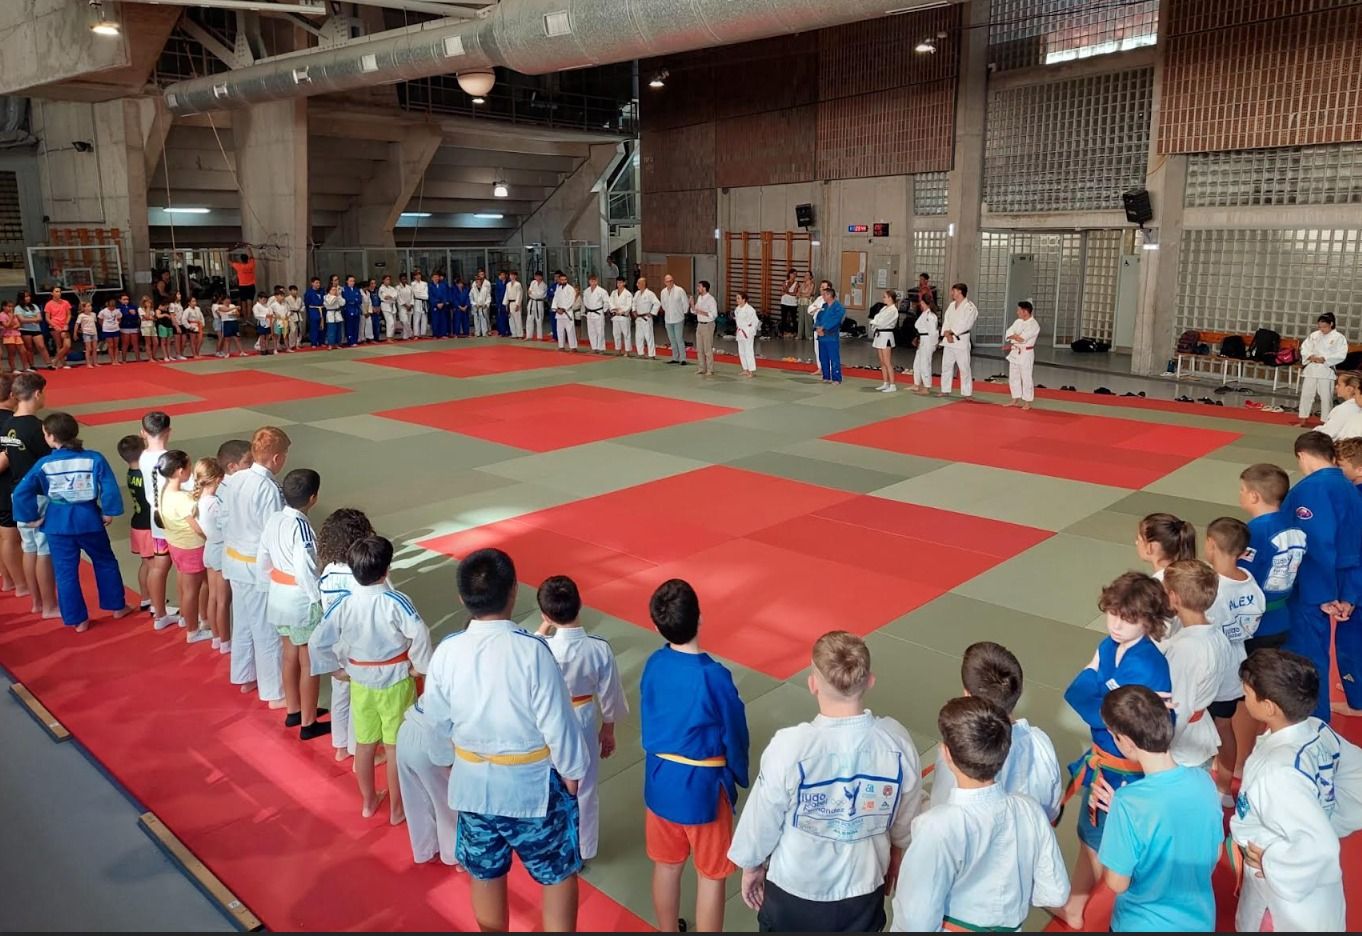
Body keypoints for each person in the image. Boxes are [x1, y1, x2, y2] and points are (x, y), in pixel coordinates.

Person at [423, 548, 590, 933]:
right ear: (514, 591)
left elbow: (436, 722)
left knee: (484, 871)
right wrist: (572, 772)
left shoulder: (447, 651)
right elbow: (558, 724)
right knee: (559, 871)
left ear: (462, 598)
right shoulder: (532, 651)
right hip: (531, 789)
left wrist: (449, 762)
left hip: (472, 786)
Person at [729, 631, 920, 933]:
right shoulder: (895, 742)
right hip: (863, 887)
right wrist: (897, 852)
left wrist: (752, 866)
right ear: (870, 681)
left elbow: (762, 818)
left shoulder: (791, 747)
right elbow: (906, 814)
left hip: (795, 890)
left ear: (813, 684)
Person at [1054, 572, 1173, 930]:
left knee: (1111, 847)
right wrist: (1102, 693)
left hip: (1128, 769)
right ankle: (1075, 907)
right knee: (1087, 835)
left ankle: (1125, 916)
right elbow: (1077, 691)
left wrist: (1099, 688)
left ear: (1149, 621)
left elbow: (1118, 716)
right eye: (1113, 614)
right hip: (1105, 758)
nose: (1117, 625)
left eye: (1129, 618)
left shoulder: (1148, 665)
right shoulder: (1110, 645)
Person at [892, 696, 1069, 932]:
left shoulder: (936, 826)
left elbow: (915, 921)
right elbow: (1055, 893)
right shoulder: (1029, 810)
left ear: (946, 755)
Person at [641, 578, 749, 933]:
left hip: (659, 781)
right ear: (699, 617)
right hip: (702, 789)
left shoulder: (654, 664)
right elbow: (735, 732)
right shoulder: (714, 676)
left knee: (667, 865)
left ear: (656, 626)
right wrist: (737, 772)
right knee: (710, 875)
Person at [1231, 649, 1362, 932]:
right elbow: (1357, 776)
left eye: (1248, 694)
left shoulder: (1279, 771)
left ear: (1269, 707)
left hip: (1284, 903)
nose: (1245, 699)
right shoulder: (1316, 729)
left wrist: (1271, 860)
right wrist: (1330, 817)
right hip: (1308, 893)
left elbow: (1321, 848)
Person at [327, 535, 430, 822]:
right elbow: (420, 634)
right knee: (394, 745)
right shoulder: (396, 601)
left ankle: (369, 801)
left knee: (365, 742)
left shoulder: (344, 603)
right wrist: (420, 667)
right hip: (395, 680)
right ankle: (397, 808)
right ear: (387, 569)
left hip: (360, 680)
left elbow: (321, 638)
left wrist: (336, 666)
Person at [12, 413, 134, 631]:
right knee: (105, 561)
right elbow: (109, 484)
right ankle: (117, 606)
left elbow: (22, 491)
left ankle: (78, 620)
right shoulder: (94, 458)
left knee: (65, 572)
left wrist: (30, 517)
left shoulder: (44, 463)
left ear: (49, 437)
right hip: (88, 519)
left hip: (57, 523)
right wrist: (108, 511)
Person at [535, 575, 627, 863]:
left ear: (546, 614)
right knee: (585, 786)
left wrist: (542, 627)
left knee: (549, 781)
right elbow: (610, 693)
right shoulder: (598, 648)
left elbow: (527, 650)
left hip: (548, 719)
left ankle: (550, 842)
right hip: (584, 716)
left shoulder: (540, 647)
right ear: (580, 604)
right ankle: (582, 850)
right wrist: (608, 728)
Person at [928, 641, 1062, 822]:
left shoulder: (958, 751)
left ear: (967, 695)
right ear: (1018, 691)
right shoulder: (1041, 743)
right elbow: (1051, 809)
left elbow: (940, 809)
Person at [1283, 430, 1362, 720]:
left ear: (1302, 455)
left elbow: (1319, 545)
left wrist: (1325, 594)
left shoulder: (1311, 490)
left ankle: (1312, 721)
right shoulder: (1350, 487)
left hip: (1312, 586)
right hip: (1342, 580)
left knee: (1307, 655)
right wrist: (1348, 594)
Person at [259, 468, 330, 741]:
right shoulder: (302, 528)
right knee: (309, 661)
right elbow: (306, 570)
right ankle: (309, 721)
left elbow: (262, 555)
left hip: (277, 593)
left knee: (289, 654)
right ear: (314, 497)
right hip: (300, 600)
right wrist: (319, 601)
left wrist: (270, 580)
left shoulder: (274, 519)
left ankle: (294, 709)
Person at [223, 426, 290, 707]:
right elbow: (272, 533)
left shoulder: (235, 479)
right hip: (256, 567)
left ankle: (244, 675)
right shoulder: (268, 489)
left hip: (233, 560)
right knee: (266, 630)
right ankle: (274, 692)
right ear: (276, 458)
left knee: (243, 622)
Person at [1203, 517, 1266, 797]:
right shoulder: (1251, 584)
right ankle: (1225, 790)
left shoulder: (1212, 588)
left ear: (1210, 545)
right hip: (1235, 665)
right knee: (1224, 726)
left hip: (1211, 668)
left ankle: (1203, 786)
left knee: (1201, 729)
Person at [309, 508, 375, 763]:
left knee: (340, 694)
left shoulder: (328, 572)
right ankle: (358, 749)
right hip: (358, 643)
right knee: (359, 698)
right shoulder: (359, 576)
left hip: (335, 642)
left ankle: (339, 745)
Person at [1159, 560, 1236, 771]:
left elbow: (1178, 708)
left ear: (1173, 597)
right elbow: (1228, 691)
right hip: (1201, 731)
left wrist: (1157, 747)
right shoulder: (1219, 637)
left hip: (1180, 745)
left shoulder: (1186, 649)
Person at [0, 373, 56, 618]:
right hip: (38, 495)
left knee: (30, 547)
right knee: (44, 550)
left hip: (17, 493)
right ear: (37, 394)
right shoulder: (36, 428)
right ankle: (49, 605)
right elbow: (50, 463)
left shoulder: (9, 424)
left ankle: (35, 601)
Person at [395, 690, 461, 867]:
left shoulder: (443, 666)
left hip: (407, 730)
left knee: (415, 800)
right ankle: (455, 855)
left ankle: (425, 850)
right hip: (433, 742)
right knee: (448, 801)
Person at [155, 450, 213, 645]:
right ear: (180, 471)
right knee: (192, 591)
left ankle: (193, 619)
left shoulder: (164, 490)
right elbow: (198, 527)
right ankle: (193, 630)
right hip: (192, 548)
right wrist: (213, 536)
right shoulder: (182, 499)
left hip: (176, 545)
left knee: (187, 585)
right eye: (189, 467)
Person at [138, 411, 179, 631]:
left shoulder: (144, 456)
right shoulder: (172, 458)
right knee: (185, 569)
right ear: (169, 431)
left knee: (159, 565)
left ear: (142, 432)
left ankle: (159, 612)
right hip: (175, 519)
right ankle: (193, 615)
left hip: (156, 517)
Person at [194, 456, 229, 653]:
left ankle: (217, 637)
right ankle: (225, 640)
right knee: (222, 600)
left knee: (214, 598)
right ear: (216, 479)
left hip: (209, 547)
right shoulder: (215, 503)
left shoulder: (199, 500)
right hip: (220, 549)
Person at [116, 435, 154, 615]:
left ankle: (147, 597)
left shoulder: (131, 473)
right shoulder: (144, 476)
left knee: (146, 563)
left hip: (138, 523)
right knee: (153, 565)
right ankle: (154, 600)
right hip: (147, 526)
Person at [1297, 312, 1349, 425]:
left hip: (1326, 369)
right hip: (1311, 368)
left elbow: (1341, 354)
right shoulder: (1315, 335)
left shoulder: (1339, 337)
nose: (1322, 329)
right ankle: (1303, 419)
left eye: (1324, 327)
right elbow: (1305, 348)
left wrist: (1325, 359)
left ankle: (1326, 422)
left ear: (1331, 324)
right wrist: (1310, 356)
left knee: (1326, 397)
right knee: (1306, 395)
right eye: (1320, 327)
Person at [938, 283, 977, 400]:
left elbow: (966, 323)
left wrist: (952, 332)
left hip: (961, 340)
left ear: (960, 292)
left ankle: (967, 392)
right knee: (946, 365)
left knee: (964, 367)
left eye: (953, 291)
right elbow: (947, 321)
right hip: (949, 341)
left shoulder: (970, 307)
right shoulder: (951, 305)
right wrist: (945, 332)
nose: (951, 293)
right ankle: (945, 390)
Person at [1003, 301, 1040, 409]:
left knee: (1026, 377)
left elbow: (1022, 338)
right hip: (1015, 351)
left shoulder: (1034, 325)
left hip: (1026, 353)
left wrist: (1014, 336)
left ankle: (1027, 402)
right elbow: (1008, 333)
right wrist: (1014, 336)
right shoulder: (1018, 321)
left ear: (1025, 311)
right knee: (1014, 376)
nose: (1017, 312)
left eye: (1019, 310)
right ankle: (1015, 398)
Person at [814, 285, 846, 385]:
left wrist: (824, 328)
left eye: (824, 295)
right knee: (823, 357)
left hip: (831, 335)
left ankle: (836, 378)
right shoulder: (824, 306)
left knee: (834, 357)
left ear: (830, 295)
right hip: (821, 335)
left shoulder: (839, 308)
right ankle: (826, 376)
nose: (822, 296)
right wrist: (817, 327)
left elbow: (836, 320)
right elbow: (818, 318)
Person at [870, 290, 899, 393]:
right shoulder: (884, 308)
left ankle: (892, 384)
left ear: (890, 298)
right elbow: (876, 318)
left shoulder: (893, 310)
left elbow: (882, 322)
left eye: (885, 297)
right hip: (879, 335)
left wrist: (875, 322)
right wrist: (874, 323)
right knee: (882, 361)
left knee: (887, 361)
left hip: (886, 335)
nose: (883, 298)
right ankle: (885, 382)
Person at [910, 293, 938, 395]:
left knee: (925, 364)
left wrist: (934, 345)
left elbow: (933, 332)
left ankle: (926, 387)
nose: (920, 304)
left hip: (928, 341)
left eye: (921, 302)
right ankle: (917, 384)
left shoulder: (931, 316)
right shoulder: (924, 314)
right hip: (922, 339)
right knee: (917, 363)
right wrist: (917, 338)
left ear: (923, 302)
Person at [1320, 371, 1361, 439]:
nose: (1336, 387)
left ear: (1349, 389)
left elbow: (1327, 433)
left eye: (1339, 384)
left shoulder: (1344, 409)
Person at [16, 291, 52, 370]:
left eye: (29, 296)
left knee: (41, 346)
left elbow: (40, 318)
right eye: (26, 296)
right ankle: (32, 365)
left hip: (36, 329)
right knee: (29, 348)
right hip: (25, 329)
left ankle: (49, 364)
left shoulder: (34, 306)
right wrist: (34, 319)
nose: (28, 298)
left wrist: (29, 319)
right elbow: (21, 320)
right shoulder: (18, 308)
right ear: (21, 298)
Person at [660, 274, 689, 365]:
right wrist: (668, 312)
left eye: (671, 281)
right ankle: (675, 357)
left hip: (678, 319)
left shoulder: (680, 290)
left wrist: (683, 313)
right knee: (672, 339)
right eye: (668, 281)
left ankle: (683, 358)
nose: (670, 283)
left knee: (679, 339)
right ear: (665, 282)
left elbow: (685, 303)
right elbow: (663, 305)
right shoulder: (663, 292)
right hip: (668, 319)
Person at [691, 280, 718, 376]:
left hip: (708, 325)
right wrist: (692, 304)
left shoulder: (711, 299)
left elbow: (714, 315)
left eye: (699, 287)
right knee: (700, 348)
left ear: (704, 288)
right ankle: (701, 368)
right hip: (700, 324)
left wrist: (702, 312)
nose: (698, 288)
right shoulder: (700, 298)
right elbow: (694, 311)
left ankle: (710, 369)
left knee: (707, 348)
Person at [44, 287, 72, 369]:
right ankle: (63, 363)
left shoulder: (65, 302)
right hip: (54, 325)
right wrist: (54, 326)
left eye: (59, 291)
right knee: (58, 344)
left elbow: (69, 314)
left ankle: (55, 360)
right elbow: (47, 318)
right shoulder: (49, 304)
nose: (58, 293)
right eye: (56, 291)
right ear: (52, 293)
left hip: (64, 325)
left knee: (67, 345)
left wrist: (66, 323)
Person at [581, 273, 610, 354]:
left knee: (600, 331)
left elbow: (607, 302)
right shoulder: (586, 291)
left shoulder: (602, 291)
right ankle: (594, 348)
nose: (593, 282)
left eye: (594, 281)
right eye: (591, 281)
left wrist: (604, 311)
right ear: (589, 281)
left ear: (597, 281)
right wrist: (586, 310)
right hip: (590, 312)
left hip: (598, 312)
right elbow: (585, 301)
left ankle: (601, 348)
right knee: (591, 331)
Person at [733, 291, 759, 378]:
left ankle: (751, 371)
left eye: (738, 298)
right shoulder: (737, 309)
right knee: (741, 351)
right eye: (737, 298)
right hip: (740, 332)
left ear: (744, 300)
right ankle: (745, 369)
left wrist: (751, 332)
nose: (737, 300)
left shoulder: (750, 309)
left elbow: (755, 322)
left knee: (748, 351)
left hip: (747, 332)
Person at [633, 275, 660, 359]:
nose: (637, 284)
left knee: (649, 336)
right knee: (638, 336)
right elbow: (633, 303)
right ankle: (640, 353)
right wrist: (634, 310)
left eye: (639, 283)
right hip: (638, 318)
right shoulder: (637, 293)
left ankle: (651, 354)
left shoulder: (650, 293)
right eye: (637, 283)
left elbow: (657, 303)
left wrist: (652, 313)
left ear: (643, 284)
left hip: (646, 318)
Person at [552, 271, 579, 352]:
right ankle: (561, 346)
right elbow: (555, 300)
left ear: (567, 280)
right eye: (562, 280)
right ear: (559, 280)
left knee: (570, 330)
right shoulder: (558, 289)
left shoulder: (570, 289)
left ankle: (573, 347)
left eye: (565, 280)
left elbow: (571, 300)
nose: (563, 281)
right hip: (559, 313)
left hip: (567, 312)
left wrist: (563, 309)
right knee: (559, 330)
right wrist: (555, 309)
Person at [609, 276, 633, 356]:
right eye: (618, 283)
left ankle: (627, 351)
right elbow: (610, 302)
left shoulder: (628, 294)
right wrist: (614, 309)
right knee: (616, 334)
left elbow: (629, 305)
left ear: (624, 283)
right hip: (615, 316)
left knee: (626, 334)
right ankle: (618, 349)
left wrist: (621, 311)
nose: (619, 284)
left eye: (620, 282)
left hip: (624, 317)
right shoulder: (613, 292)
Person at [340, 275, 363, 348]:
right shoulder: (344, 289)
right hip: (348, 309)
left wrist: (355, 301)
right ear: (347, 281)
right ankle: (350, 341)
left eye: (353, 281)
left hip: (356, 309)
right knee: (349, 326)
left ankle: (355, 340)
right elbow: (346, 298)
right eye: (350, 281)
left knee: (356, 326)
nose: (352, 282)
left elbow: (359, 299)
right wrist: (353, 300)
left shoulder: (357, 290)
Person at [98, 299, 122, 365]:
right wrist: (105, 326)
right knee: (110, 345)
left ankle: (116, 360)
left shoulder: (117, 311)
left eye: (113, 306)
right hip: (107, 330)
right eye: (110, 306)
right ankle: (113, 360)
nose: (112, 308)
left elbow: (119, 319)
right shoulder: (103, 311)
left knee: (116, 345)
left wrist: (116, 324)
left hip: (116, 329)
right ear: (107, 305)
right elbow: (100, 320)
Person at [469, 270, 492, 338]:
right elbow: (470, 298)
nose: (478, 283)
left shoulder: (485, 289)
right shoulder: (473, 289)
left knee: (484, 320)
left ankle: (485, 333)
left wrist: (486, 304)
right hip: (476, 307)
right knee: (476, 320)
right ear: (475, 282)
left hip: (483, 306)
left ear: (481, 282)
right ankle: (477, 333)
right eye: (477, 282)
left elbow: (489, 297)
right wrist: (474, 304)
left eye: (479, 282)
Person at [304, 277, 325, 348]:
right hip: (313, 310)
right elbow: (307, 303)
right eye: (316, 283)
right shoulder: (308, 292)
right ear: (312, 283)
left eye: (319, 283)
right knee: (314, 327)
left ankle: (321, 341)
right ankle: (314, 342)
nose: (318, 284)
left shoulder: (322, 291)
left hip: (321, 310)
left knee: (322, 326)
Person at [526, 271, 547, 342]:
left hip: (539, 303)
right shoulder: (533, 282)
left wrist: (532, 293)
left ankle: (539, 337)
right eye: (536, 276)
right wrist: (533, 294)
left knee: (539, 320)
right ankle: (529, 336)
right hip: (531, 302)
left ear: (541, 277)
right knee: (529, 319)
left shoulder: (544, 285)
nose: (537, 278)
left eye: (538, 276)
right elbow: (529, 292)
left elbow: (540, 295)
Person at [796, 272, 816, 343]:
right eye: (805, 274)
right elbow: (797, 294)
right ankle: (799, 335)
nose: (805, 276)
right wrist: (802, 294)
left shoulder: (812, 284)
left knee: (808, 319)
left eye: (807, 275)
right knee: (801, 318)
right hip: (801, 302)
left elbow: (809, 295)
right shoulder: (802, 284)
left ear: (810, 276)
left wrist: (802, 294)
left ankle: (809, 335)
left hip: (808, 302)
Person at [323, 285, 344, 349]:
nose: (335, 291)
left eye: (335, 290)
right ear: (329, 291)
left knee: (338, 331)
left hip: (337, 314)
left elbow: (342, 303)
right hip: (330, 314)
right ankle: (330, 344)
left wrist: (339, 296)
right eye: (333, 290)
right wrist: (335, 296)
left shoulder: (338, 296)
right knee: (331, 330)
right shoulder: (326, 297)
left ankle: (337, 343)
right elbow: (330, 303)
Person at [778, 270, 799, 337]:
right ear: (789, 274)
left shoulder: (796, 283)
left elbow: (794, 292)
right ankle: (782, 332)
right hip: (784, 301)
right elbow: (782, 290)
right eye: (793, 274)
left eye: (795, 274)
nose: (794, 275)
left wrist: (786, 292)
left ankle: (795, 331)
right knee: (783, 317)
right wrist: (788, 292)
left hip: (793, 303)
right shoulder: (785, 282)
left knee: (793, 318)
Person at [411, 269, 430, 339]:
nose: (418, 276)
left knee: (424, 318)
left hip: (424, 302)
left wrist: (420, 294)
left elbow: (426, 295)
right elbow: (415, 294)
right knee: (416, 318)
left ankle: (423, 333)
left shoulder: (425, 283)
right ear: (414, 276)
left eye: (419, 275)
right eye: (416, 275)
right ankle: (416, 334)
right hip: (417, 302)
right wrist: (421, 294)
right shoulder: (412, 284)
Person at [285, 284, 303, 352]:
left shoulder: (299, 298)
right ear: (290, 291)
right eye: (293, 290)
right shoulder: (287, 299)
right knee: (293, 330)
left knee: (299, 330)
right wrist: (290, 311)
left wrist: (300, 309)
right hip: (291, 315)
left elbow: (303, 306)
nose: (295, 292)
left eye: (296, 290)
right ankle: (291, 344)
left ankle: (297, 344)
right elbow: (286, 307)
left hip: (298, 314)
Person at [492, 270, 508, 337]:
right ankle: (502, 331)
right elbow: (496, 294)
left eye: (503, 275)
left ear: (505, 276)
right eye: (501, 275)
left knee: (507, 317)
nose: (502, 276)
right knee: (500, 318)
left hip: (507, 302)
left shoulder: (508, 283)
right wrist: (497, 303)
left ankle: (509, 331)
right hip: (500, 303)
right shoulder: (498, 283)